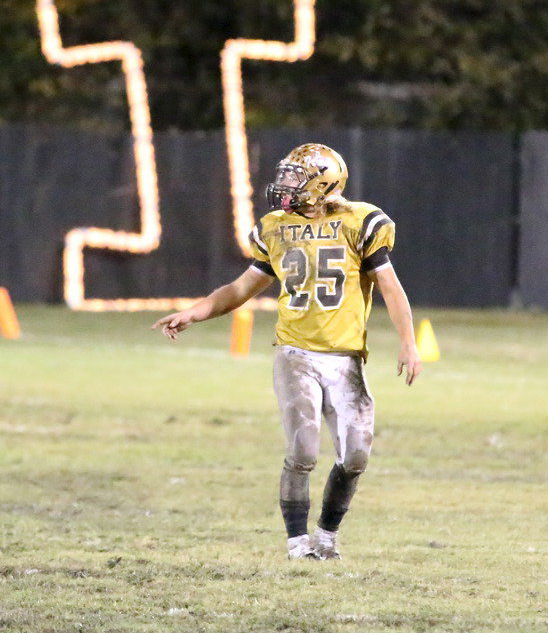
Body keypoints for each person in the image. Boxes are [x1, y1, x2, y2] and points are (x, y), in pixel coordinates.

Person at [152, 143, 421, 559]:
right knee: (303, 449)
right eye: (287, 175)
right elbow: (240, 289)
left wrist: (408, 342)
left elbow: (390, 287)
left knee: (355, 457)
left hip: (346, 358)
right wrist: (196, 312)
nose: (286, 184)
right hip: (296, 354)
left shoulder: (359, 221)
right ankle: (297, 542)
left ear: (324, 180)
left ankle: (327, 536)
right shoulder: (276, 226)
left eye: (296, 177)